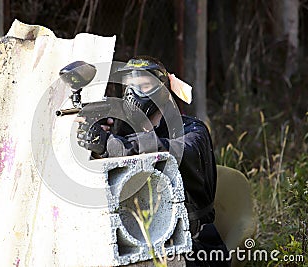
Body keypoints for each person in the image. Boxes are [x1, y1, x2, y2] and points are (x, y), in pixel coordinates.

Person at [76, 56, 230, 267]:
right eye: (130, 85)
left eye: (144, 85)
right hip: (143, 242)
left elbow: (168, 150)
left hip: (197, 247)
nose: (133, 93)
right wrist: (96, 143)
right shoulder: (124, 132)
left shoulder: (194, 131)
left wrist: (112, 146)